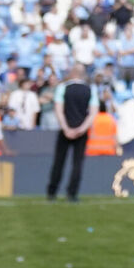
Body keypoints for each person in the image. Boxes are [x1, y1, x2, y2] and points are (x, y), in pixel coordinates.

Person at [46, 66, 98, 202]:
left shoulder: (63, 88)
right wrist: (81, 129)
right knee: (77, 163)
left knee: (59, 161)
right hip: (81, 131)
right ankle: (72, 193)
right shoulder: (90, 89)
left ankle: (52, 192)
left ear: (72, 73)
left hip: (65, 130)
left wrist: (66, 128)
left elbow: (58, 110)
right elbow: (92, 113)